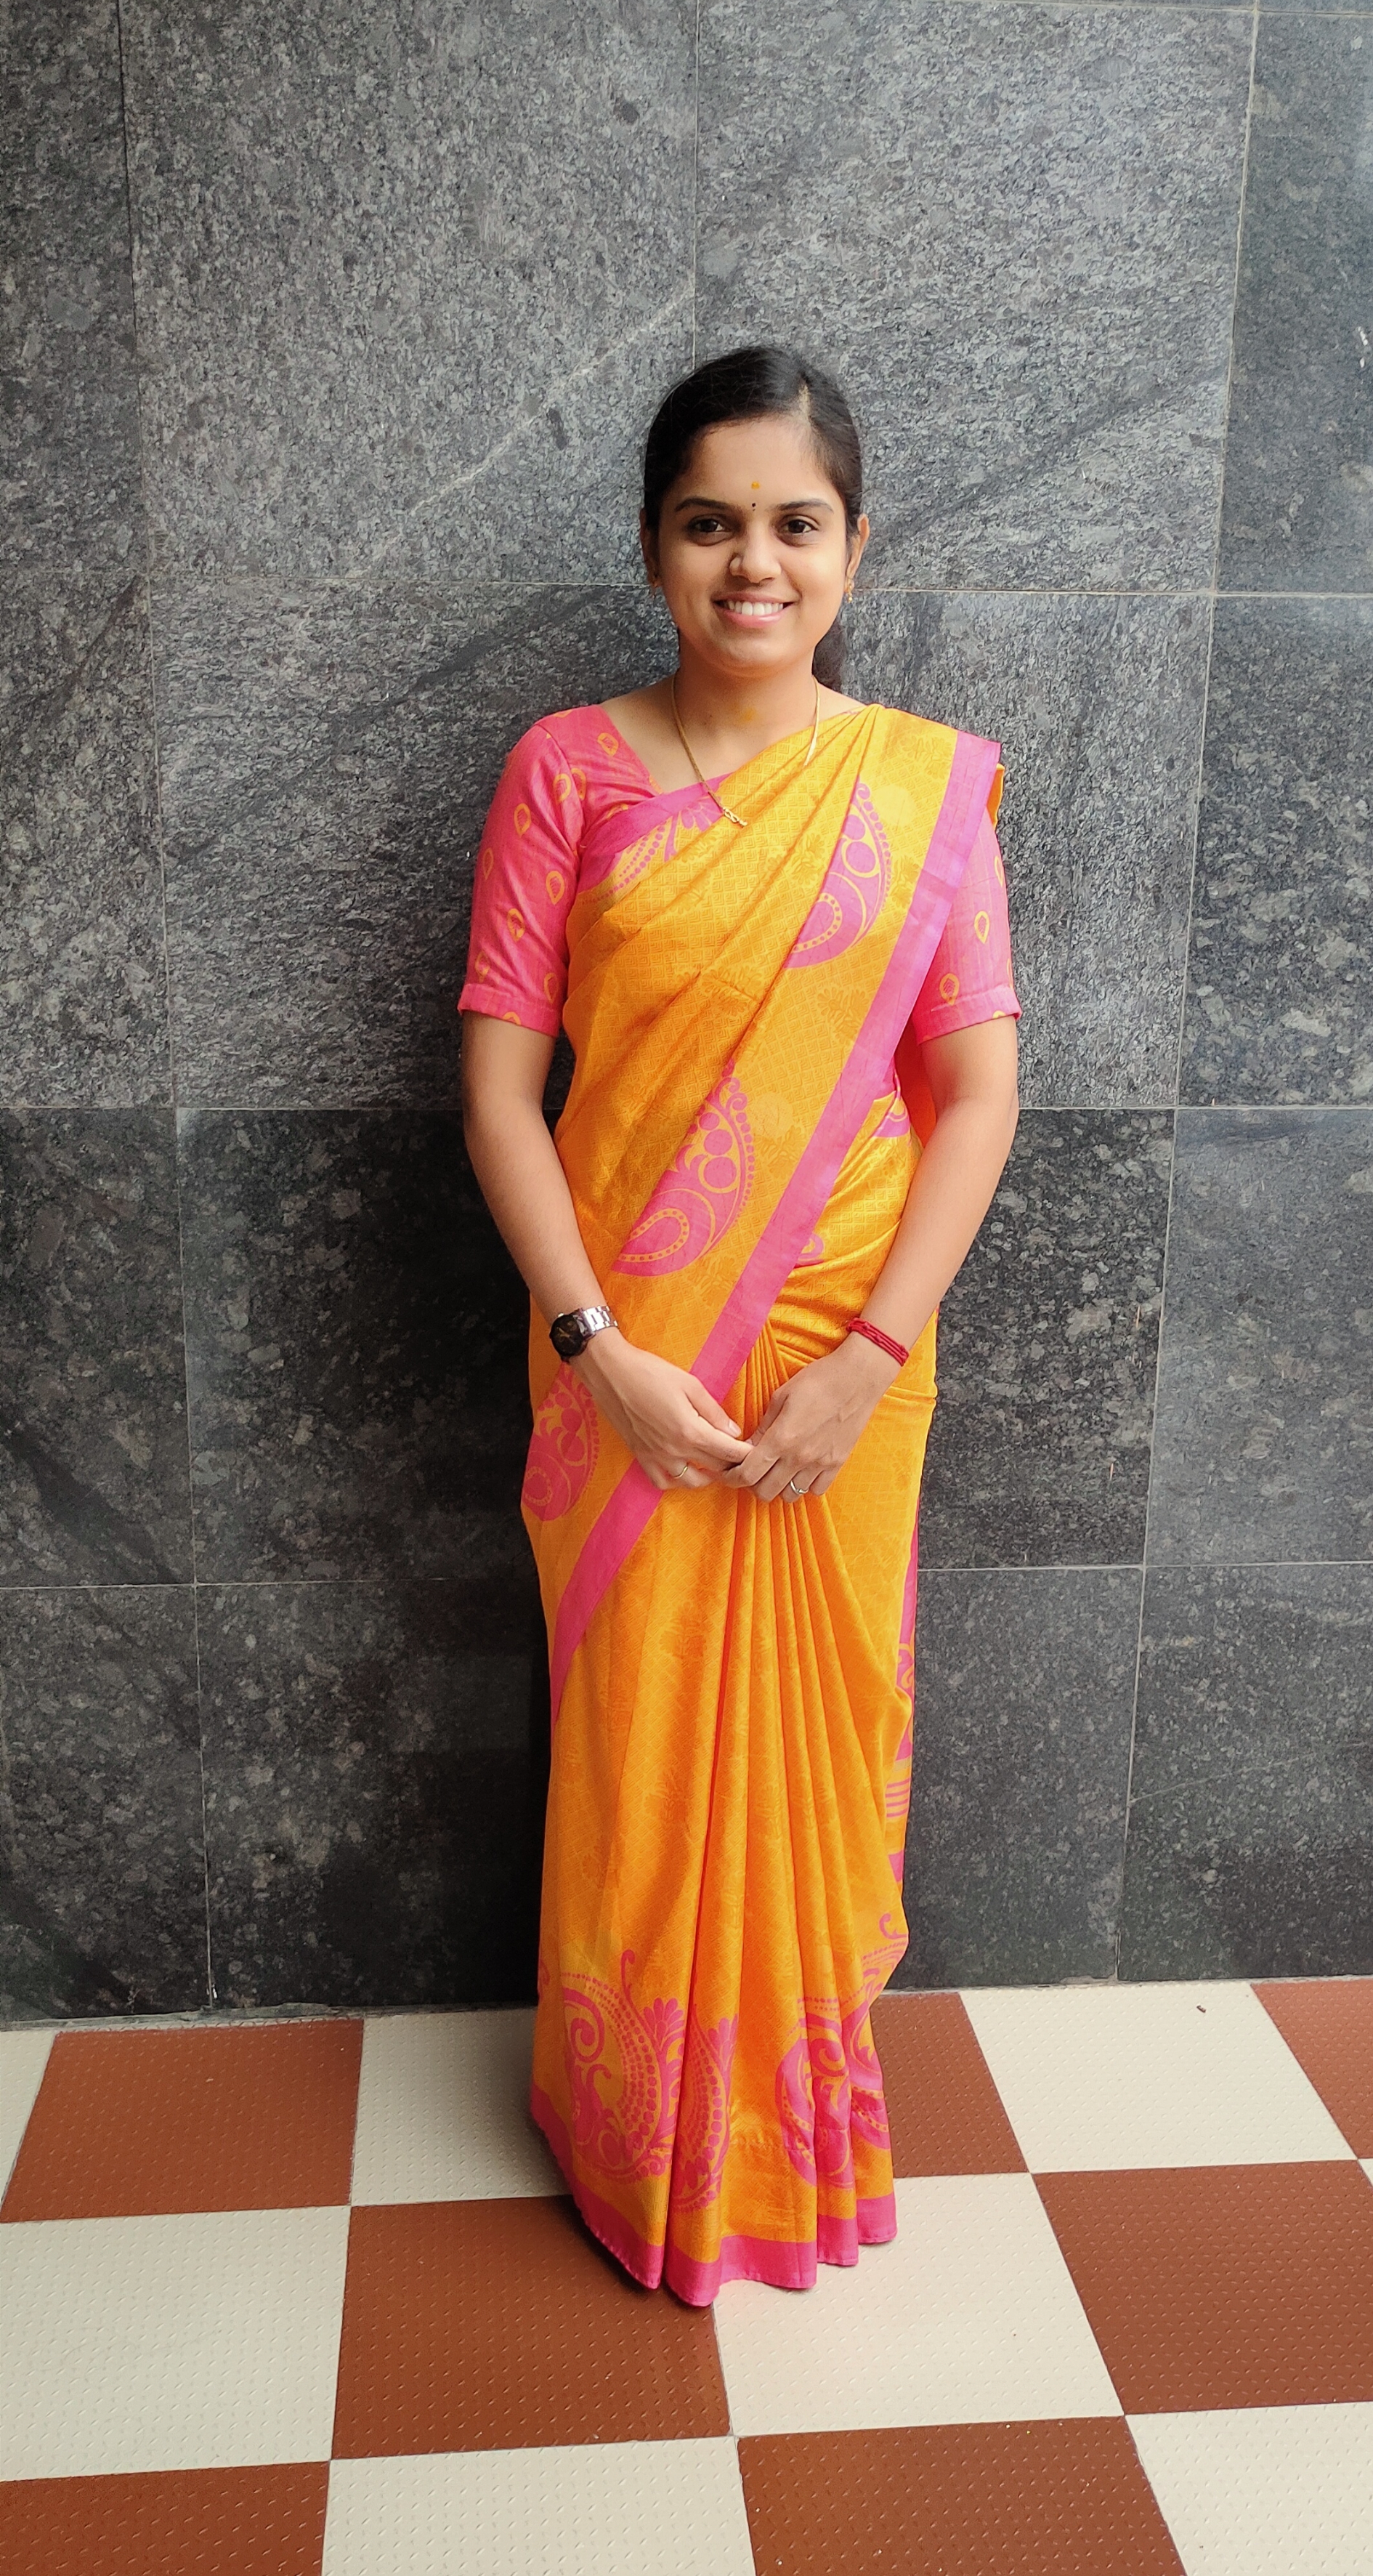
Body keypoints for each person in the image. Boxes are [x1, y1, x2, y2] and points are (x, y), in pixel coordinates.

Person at [459, 345, 1020, 2304]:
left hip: (845, 1357)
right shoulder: (568, 768)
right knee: (642, 1744)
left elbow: (978, 1094)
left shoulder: (921, 787)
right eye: (710, 524)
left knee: (813, 1736)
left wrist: (870, 1361)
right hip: (628, 1351)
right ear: (652, 549)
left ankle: (788, 2128)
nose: (752, 562)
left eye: (794, 523)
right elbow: (499, 1098)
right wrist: (592, 1350)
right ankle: (639, 2138)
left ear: (854, 548)